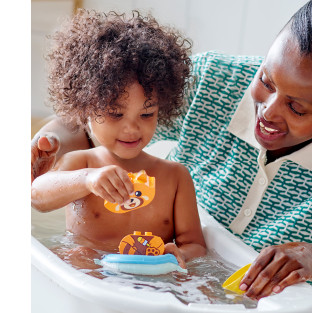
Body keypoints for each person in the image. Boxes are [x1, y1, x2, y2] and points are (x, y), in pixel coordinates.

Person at [31, 0, 312, 312]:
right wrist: (50, 144)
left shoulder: (175, 177)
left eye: (297, 107)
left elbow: (195, 247)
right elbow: (83, 126)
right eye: (266, 80)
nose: (269, 111)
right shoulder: (215, 82)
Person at [31, 9, 206, 269]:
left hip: (150, 283)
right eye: (115, 114)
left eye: (147, 114)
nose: (132, 128)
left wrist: (178, 255)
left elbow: (196, 246)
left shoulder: (176, 177)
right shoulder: (81, 164)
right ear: (85, 108)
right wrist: (87, 180)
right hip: (90, 277)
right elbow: (37, 197)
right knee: (70, 256)